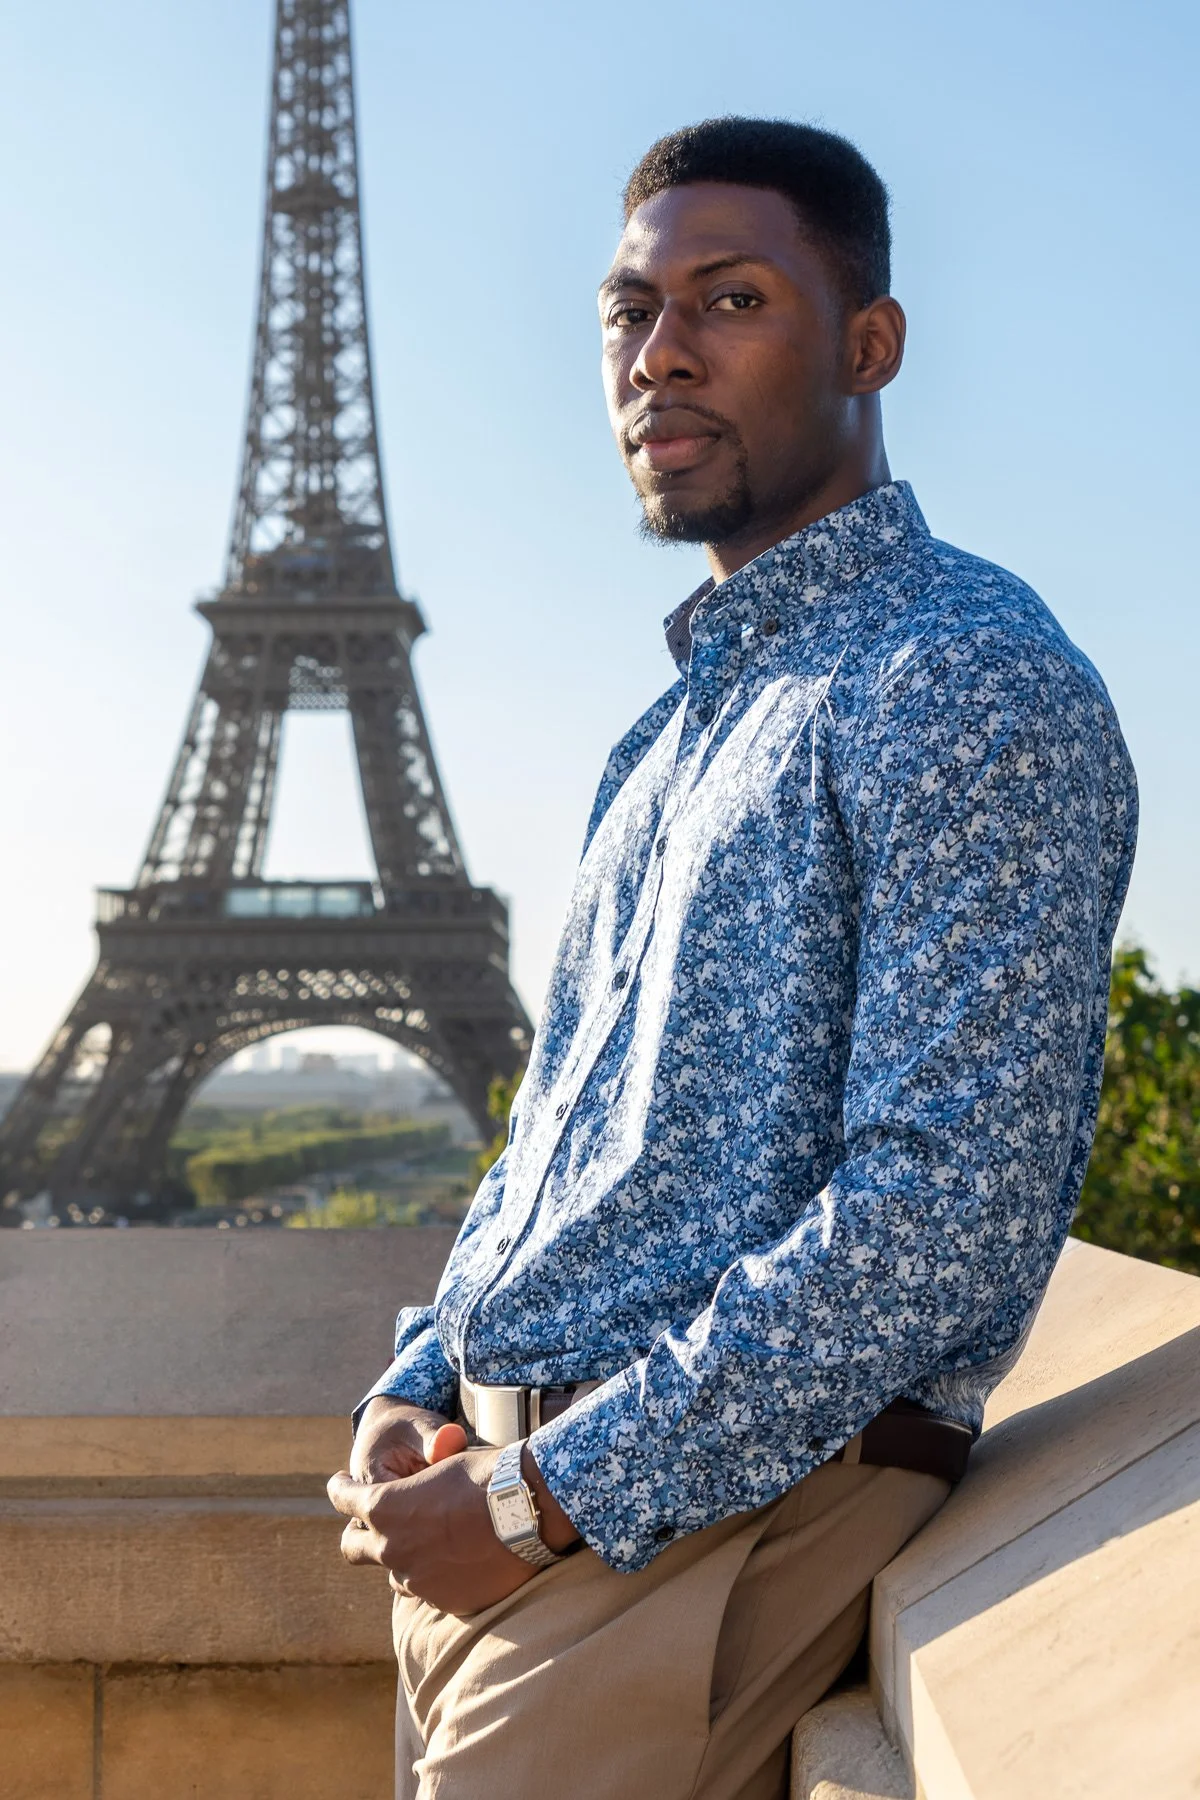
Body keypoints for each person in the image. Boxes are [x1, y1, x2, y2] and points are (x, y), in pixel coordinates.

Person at [328, 116, 1137, 1800]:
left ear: (870, 343)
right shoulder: (671, 733)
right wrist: (424, 1377)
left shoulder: (965, 675)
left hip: (683, 1533)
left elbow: (945, 1208)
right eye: (629, 311)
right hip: (518, 1520)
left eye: (733, 298)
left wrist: (549, 1496)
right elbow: (559, 1132)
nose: (662, 351)